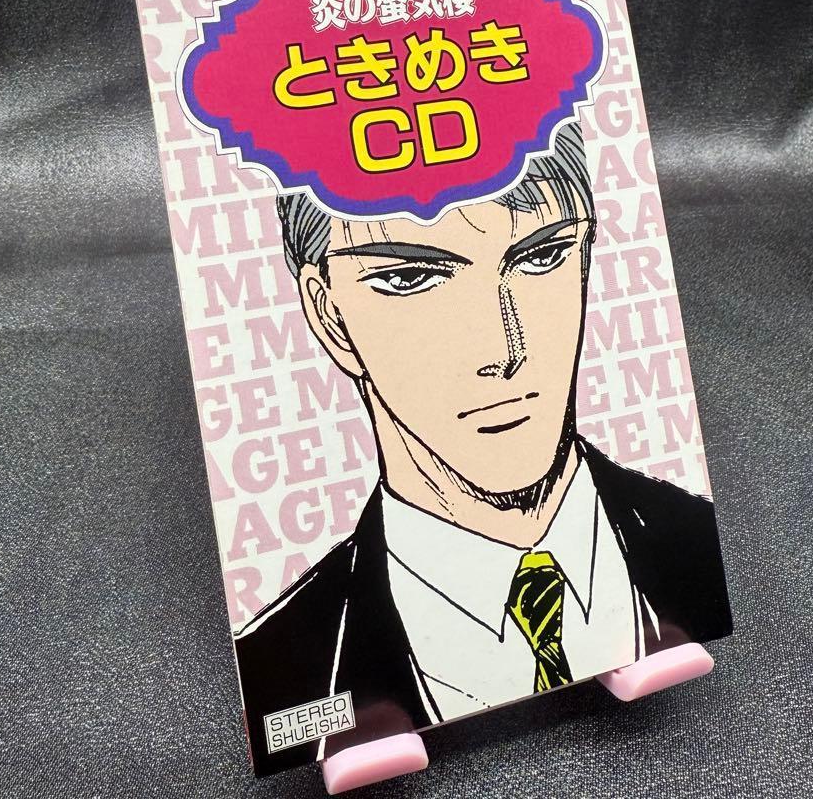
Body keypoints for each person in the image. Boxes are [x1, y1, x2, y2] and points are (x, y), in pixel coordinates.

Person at [235, 121, 731, 774]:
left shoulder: (690, 540)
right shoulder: (286, 656)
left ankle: (626, 640)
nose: (503, 350)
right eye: (410, 277)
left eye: (542, 256)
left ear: (585, 256)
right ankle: (369, 724)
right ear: (330, 316)